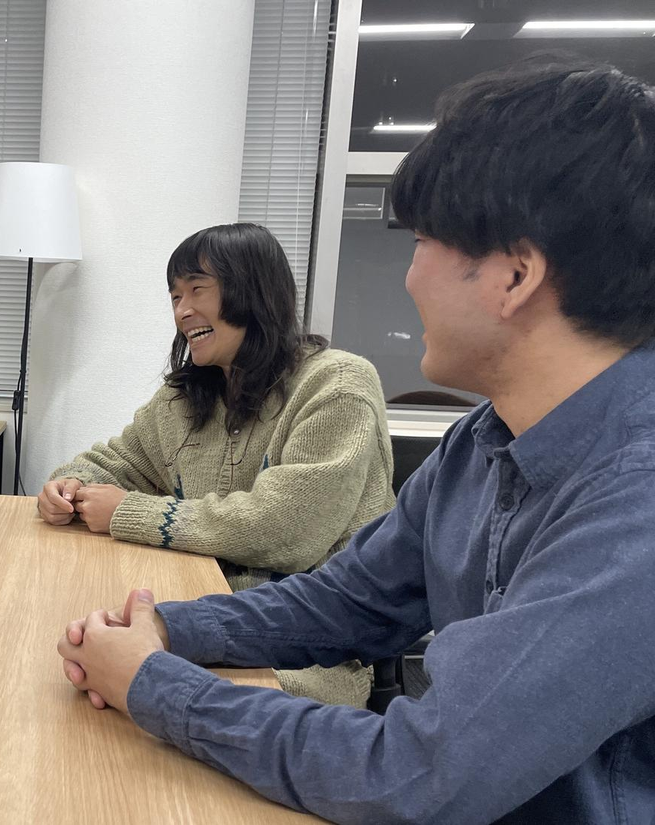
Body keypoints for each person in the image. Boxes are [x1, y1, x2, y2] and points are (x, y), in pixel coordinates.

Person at [56, 55, 655, 824]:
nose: (408, 278)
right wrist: (171, 627)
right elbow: (350, 600)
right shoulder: (482, 440)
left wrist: (152, 682)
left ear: (515, 276)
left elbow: (417, 775)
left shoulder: (634, 505)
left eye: (423, 242)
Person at [38, 222, 393, 707]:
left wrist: (129, 512)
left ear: (252, 289)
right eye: (175, 296)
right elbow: (116, 462)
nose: (182, 311)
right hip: (198, 618)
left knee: (123, 692)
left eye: (197, 290)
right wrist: (69, 484)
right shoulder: (186, 397)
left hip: (309, 653)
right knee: (76, 661)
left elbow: (287, 529)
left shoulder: (338, 385)